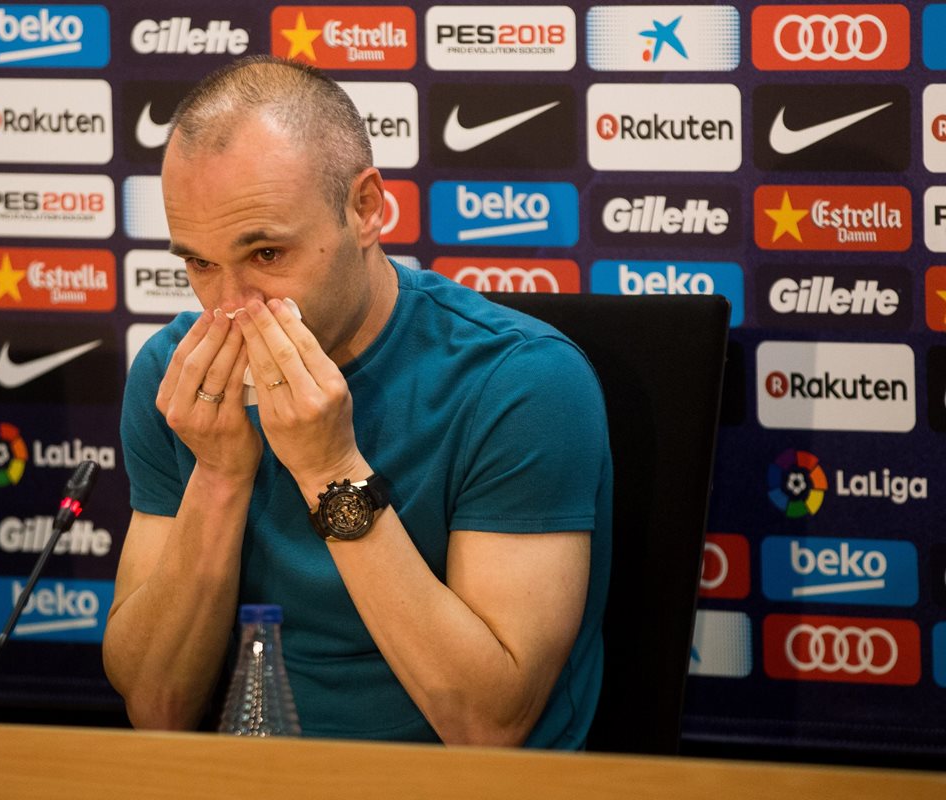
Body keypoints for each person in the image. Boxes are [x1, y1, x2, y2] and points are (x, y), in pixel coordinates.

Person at [105, 56, 612, 748]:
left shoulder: (521, 382)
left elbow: (489, 723)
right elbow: (156, 706)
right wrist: (218, 477)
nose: (228, 307)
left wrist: (330, 469)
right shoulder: (179, 376)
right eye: (198, 263)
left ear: (366, 208)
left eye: (266, 255)